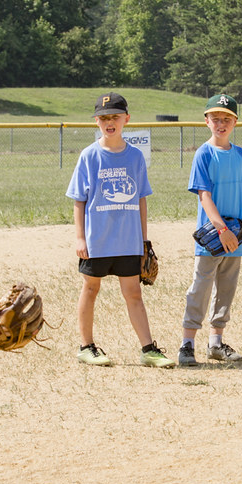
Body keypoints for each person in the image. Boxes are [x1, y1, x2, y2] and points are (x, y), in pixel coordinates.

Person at [66, 92, 174, 368]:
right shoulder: (89, 156)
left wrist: (144, 240)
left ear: (126, 119)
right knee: (90, 288)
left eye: (114, 116)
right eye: (103, 118)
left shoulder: (135, 157)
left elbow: (141, 199)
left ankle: (148, 349)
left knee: (133, 293)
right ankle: (86, 346)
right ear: (97, 122)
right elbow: (79, 199)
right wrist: (79, 237)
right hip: (97, 239)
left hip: (127, 240)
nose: (108, 122)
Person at [178, 94, 242, 366]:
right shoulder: (204, 153)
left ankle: (215, 343)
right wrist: (223, 229)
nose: (221, 123)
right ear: (206, 121)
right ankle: (187, 344)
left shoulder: (241, 155)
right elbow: (204, 195)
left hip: (234, 238)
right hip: (213, 238)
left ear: (235, 122)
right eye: (215, 118)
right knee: (200, 289)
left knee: (226, 290)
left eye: (227, 118)